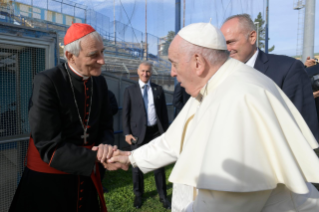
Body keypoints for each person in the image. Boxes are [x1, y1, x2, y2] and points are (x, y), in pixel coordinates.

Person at [109, 22, 319, 211]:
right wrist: (131, 157)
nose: (172, 73)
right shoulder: (215, 84)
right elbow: (175, 139)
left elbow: (229, 199)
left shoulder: (239, 96)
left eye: (175, 63)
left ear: (198, 62)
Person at [9, 23, 127, 212]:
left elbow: (106, 126)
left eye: (102, 52)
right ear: (70, 56)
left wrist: (105, 145)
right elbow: (48, 145)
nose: (102, 61)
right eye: (93, 55)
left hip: (87, 180)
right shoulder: (48, 81)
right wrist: (95, 157)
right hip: (50, 183)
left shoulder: (100, 82)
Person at [220, 14, 319, 141]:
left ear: (252, 37)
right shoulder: (222, 75)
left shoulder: (287, 69)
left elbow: (304, 126)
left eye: (231, 42)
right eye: (224, 44)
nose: (227, 49)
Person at [122, 61, 171, 209]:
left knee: (159, 166)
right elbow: (126, 114)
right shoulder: (130, 90)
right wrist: (127, 133)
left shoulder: (158, 90)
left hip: (156, 133)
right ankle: (138, 194)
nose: (145, 74)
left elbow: (163, 113)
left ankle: (163, 196)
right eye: (143, 71)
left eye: (148, 71)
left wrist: (166, 133)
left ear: (151, 72)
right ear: (138, 71)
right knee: (137, 166)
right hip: (137, 134)